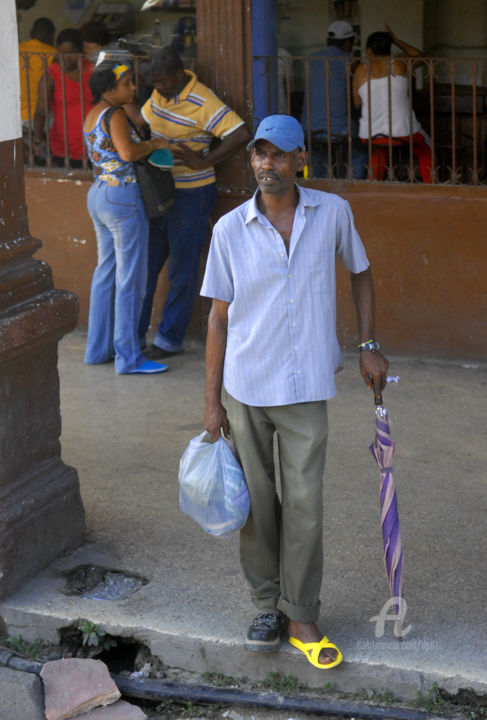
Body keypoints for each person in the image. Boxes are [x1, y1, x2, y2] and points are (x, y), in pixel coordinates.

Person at [201, 115, 389, 669]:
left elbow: (361, 272)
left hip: (306, 385)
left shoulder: (331, 212)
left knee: (305, 504)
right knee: (257, 507)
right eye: (259, 155)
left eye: (279, 155)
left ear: (299, 158)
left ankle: (301, 612)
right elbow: (217, 319)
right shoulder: (229, 230)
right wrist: (212, 403)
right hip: (246, 387)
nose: (267, 165)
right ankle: (267, 606)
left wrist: (369, 343)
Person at [138, 46, 250, 359]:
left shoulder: (202, 99)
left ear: (179, 74)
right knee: (147, 265)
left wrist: (206, 161)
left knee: (182, 269)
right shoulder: (158, 95)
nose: (157, 87)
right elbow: (146, 119)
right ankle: (135, 337)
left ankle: (168, 339)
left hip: (192, 193)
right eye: (154, 82)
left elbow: (240, 133)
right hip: (159, 190)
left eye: (162, 81)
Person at [83, 62, 171, 375]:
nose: (133, 88)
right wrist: (154, 144)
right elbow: (127, 153)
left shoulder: (92, 114)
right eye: (126, 83)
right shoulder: (115, 114)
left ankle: (97, 351)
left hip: (99, 193)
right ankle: (128, 358)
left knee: (106, 272)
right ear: (109, 88)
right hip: (123, 196)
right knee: (131, 279)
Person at [353, 24, 434, 182]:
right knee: (426, 150)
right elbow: (421, 57)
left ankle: (372, 188)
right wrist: (396, 40)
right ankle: (432, 186)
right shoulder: (400, 63)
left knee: (378, 151)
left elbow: (356, 103)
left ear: (369, 50)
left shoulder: (361, 70)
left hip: (370, 133)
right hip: (403, 130)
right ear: (389, 48)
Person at [301, 21, 367, 179]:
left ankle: (317, 188)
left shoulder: (310, 60)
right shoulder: (353, 61)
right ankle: (354, 188)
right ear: (347, 43)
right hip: (341, 129)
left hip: (309, 128)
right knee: (360, 152)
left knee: (318, 158)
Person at [33, 29, 93, 168]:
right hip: (65, 149)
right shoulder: (51, 75)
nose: (65, 58)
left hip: (95, 147)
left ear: (81, 51)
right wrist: (38, 140)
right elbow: (41, 111)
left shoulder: (91, 68)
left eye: (71, 53)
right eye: (61, 53)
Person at [19, 17, 56, 129]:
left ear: (31, 34)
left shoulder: (15, 51)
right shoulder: (56, 55)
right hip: (45, 118)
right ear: (52, 37)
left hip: (16, 116)